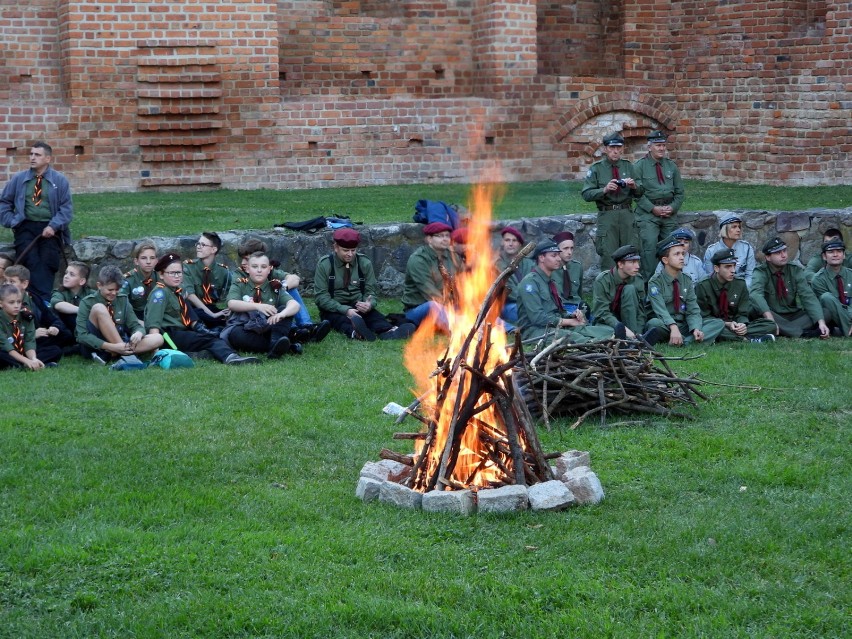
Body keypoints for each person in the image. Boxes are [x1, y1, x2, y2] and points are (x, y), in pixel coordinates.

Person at [145, 253, 259, 365]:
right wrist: (156, 352)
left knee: (210, 336)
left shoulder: (174, 290)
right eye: (172, 273)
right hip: (169, 335)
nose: (177, 276)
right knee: (209, 339)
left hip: (180, 332)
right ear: (161, 274)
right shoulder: (160, 294)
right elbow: (154, 325)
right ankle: (230, 357)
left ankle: (193, 354)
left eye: (179, 273)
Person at [0, 142, 73, 300]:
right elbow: (4, 202)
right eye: (31, 154)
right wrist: (12, 220)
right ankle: (41, 301)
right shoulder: (19, 179)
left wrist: (53, 226)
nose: (32, 158)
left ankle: (41, 301)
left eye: (37, 155)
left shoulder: (60, 181)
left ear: (48, 158)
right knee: (29, 259)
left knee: (49, 260)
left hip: (50, 228)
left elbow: (66, 210)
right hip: (25, 226)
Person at [314, 228, 415, 341]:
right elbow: (321, 297)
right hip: (334, 307)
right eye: (346, 250)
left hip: (358, 305)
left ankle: (388, 331)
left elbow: (371, 290)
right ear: (336, 247)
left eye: (353, 250)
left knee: (374, 317)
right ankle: (356, 333)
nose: (350, 254)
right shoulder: (325, 265)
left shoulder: (364, 263)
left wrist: (369, 304)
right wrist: (345, 310)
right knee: (340, 320)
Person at [516, 239, 614, 344]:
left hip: (555, 325)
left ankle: (616, 338)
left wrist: (571, 316)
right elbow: (538, 318)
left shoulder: (549, 280)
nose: (558, 259)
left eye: (558, 255)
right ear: (541, 258)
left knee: (604, 331)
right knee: (577, 338)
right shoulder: (530, 283)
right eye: (554, 256)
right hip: (535, 331)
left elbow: (556, 311)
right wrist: (569, 322)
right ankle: (602, 344)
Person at [234, 238, 330, 344]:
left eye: (246, 259)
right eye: (242, 259)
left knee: (290, 288)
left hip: (273, 308)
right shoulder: (239, 274)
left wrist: (281, 287)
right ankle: (294, 331)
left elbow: (294, 279)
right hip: (255, 312)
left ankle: (306, 326)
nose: (243, 262)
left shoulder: (267, 270)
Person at [643, 237, 724, 346]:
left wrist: (696, 328)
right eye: (677, 254)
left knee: (717, 323)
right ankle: (690, 341)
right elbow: (660, 310)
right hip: (665, 325)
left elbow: (693, 309)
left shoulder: (687, 280)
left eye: (682, 254)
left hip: (683, 325)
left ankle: (685, 341)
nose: (682, 257)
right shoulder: (655, 282)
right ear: (665, 260)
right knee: (653, 324)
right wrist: (673, 327)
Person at [76, 265, 163, 366]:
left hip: (122, 341)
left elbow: (136, 325)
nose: (114, 293)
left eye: (117, 289)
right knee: (99, 308)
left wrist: (138, 333)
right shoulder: (87, 302)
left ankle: (114, 354)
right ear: (99, 285)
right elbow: (81, 336)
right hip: (97, 345)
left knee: (158, 338)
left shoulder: (123, 299)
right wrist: (111, 347)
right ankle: (125, 355)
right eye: (110, 290)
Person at [223, 252, 303, 358]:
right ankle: (281, 347)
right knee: (235, 334)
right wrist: (258, 306)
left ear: (269, 269)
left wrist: (281, 314)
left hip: (269, 327)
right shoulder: (240, 284)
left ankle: (276, 343)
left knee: (285, 309)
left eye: (263, 267)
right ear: (247, 269)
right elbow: (232, 303)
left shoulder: (274, 287)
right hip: (247, 329)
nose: (259, 270)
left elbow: (295, 305)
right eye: (255, 266)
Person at [581, 132, 642, 270]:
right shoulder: (596, 169)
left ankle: (630, 289)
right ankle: (610, 289)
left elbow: (641, 191)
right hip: (607, 215)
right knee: (609, 255)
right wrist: (604, 190)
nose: (615, 151)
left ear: (622, 149)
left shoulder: (628, 167)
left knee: (631, 253)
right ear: (605, 149)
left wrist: (634, 186)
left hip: (626, 214)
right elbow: (586, 194)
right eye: (612, 148)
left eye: (618, 148)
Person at [749, 237, 829, 338]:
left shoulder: (794, 270)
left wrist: (821, 322)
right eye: (778, 253)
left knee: (825, 312)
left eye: (784, 251)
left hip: (793, 315)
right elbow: (756, 294)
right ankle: (801, 333)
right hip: (773, 315)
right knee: (755, 308)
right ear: (768, 257)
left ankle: (782, 330)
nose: (783, 255)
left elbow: (808, 296)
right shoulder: (761, 272)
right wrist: (770, 319)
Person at [632, 131, 685, 280]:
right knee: (649, 249)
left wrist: (673, 207)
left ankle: (671, 283)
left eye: (663, 145)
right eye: (658, 145)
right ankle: (649, 286)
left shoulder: (671, 166)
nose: (661, 148)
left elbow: (680, 193)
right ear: (649, 147)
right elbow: (636, 194)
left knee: (672, 249)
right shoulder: (640, 167)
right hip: (648, 215)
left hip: (669, 214)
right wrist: (652, 209)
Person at [695, 248, 777, 342]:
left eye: (734, 266)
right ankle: (747, 339)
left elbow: (742, 312)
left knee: (771, 325)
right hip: (715, 325)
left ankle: (734, 336)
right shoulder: (703, 286)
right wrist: (726, 324)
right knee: (714, 330)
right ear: (716, 268)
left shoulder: (740, 284)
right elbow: (704, 317)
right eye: (728, 267)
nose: (733, 270)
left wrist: (742, 325)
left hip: (735, 324)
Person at [4, 264, 73, 355]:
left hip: (34, 339)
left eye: (12, 282)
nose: (6, 284)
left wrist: (55, 327)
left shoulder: (34, 299)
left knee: (65, 334)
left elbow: (52, 318)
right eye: (5, 281)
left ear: (24, 284)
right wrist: (32, 335)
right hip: (13, 341)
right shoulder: (3, 301)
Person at [401, 222, 457, 332]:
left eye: (447, 235)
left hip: (448, 306)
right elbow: (430, 293)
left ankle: (498, 327)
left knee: (475, 305)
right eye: (440, 236)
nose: (445, 239)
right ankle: (463, 329)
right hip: (420, 309)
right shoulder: (418, 259)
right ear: (429, 239)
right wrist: (450, 309)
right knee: (434, 305)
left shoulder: (452, 256)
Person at [0, 283, 60, 370]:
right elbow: (7, 347)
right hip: (6, 352)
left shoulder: (26, 316)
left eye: (19, 302)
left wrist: (33, 359)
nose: (16, 306)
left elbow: (29, 341)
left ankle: (29, 364)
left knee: (55, 350)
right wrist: (27, 361)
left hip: (22, 351)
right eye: (11, 302)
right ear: (1, 304)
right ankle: (27, 365)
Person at [591, 245, 647, 339]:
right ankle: (625, 337)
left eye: (637, 262)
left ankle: (634, 338)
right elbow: (602, 312)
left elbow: (641, 311)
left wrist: (638, 332)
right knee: (608, 332)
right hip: (608, 323)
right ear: (620, 264)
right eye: (632, 262)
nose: (637, 266)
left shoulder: (638, 279)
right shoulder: (603, 280)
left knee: (630, 289)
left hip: (631, 322)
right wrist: (621, 328)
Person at [182, 232, 232, 330]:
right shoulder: (188, 267)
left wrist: (229, 309)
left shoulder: (223, 271)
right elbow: (190, 295)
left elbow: (231, 293)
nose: (198, 247)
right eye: (198, 244)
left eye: (203, 245)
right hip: (195, 309)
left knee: (225, 317)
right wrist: (212, 315)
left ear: (214, 249)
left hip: (212, 308)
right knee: (192, 313)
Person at [810, 239, 852, 337]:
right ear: (824, 256)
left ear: (844, 255)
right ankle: (847, 329)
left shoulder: (851, 274)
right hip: (833, 318)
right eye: (831, 252)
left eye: (839, 251)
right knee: (826, 297)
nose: (835, 254)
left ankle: (843, 330)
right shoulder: (818, 279)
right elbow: (829, 306)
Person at [494, 226, 534, 325]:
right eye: (507, 240)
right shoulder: (497, 265)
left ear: (520, 244)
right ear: (502, 243)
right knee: (526, 314)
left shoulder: (529, 264)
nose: (510, 244)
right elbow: (509, 289)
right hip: (509, 304)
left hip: (530, 302)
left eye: (514, 240)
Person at [551, 231, 590, 320]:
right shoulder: (550, 269)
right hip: (561, 308)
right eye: (565, 248)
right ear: (556, 249)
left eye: (572, 248)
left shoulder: (577, 266)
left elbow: (579, 293)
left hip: (577, 306)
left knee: (596, 323)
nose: (569, 252)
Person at [121, 239, 159, 320]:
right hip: (136, 317)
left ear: (156, 261)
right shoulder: (128, 280)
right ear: (136, 261)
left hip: (157, 314)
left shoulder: (161, 276)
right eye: (144, 258)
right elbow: (122, 306)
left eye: (152, 258)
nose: (148, 262)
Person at [50, 261, 92, 334]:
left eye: (71, 275)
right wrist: (82, 310)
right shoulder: (60, 292)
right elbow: (58, 305)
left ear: (82, 281)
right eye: (66, 273)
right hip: (65, 331)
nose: (66, 276)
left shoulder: (89, 293)